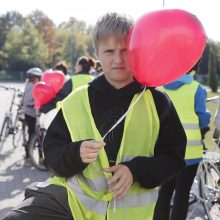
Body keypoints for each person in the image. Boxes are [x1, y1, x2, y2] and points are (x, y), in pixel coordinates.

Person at [3, 12, 186, 220]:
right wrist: (76, 153)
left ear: (137, 50)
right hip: (71, 203)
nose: (118, 59)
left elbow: (174, 158)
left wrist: (135, 170)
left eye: (125, 50)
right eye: (109, 51)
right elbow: (52, 157)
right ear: (96, 54)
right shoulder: (76, 100)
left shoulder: (159, 103)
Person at [153, 62, 211, 220]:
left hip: (165, 150)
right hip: (190, 151)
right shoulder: (196, 88)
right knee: (182, 195)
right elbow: (203, 118)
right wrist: (203, 128)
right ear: (193, 70)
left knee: (164, 192)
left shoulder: (161, 88)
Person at [22, 67, 43, 159]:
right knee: (32, 134)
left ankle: (39, 157)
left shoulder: (39, 85)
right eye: (31, 78)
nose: (32, 80)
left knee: (38, 136)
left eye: (34, 78)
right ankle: (28, 155)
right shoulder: (30, 85)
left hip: (37, 114)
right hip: (30, 113)